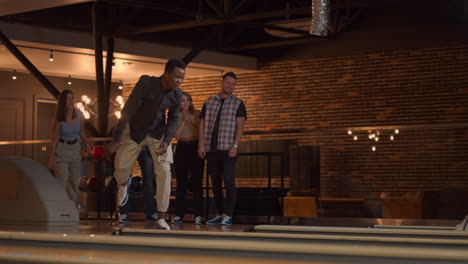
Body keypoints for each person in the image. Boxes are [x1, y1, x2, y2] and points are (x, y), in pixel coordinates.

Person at [105, 58, 185, 230]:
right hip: (135, 130)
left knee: (164, 170)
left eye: (182, 78)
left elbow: (174, 118)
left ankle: (162, 217)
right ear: (167, 74)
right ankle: (123, 184)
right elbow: (128, 110)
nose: (180, 81)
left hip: (158, 133)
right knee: (120, 167)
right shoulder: (146, 83)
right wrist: (116, 138)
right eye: (177, 77)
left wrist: (166, 141)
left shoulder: (177, 94)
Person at [198, 72, 247, 225]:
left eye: (233, 84)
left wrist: (235, 146)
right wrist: (201, 144)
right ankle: (219, 213)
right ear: (222, 82)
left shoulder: (238, 103)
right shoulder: (209, 102)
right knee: (215, 183)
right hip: (211, 149)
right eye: (228, 83)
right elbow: (202, 124)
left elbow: (240, 127)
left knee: (229, 180)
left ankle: (228, 214)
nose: (230, 86)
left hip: (228, 149)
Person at [49, 89, 91, 206]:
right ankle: (60, 206)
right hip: (62, 149)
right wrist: (51, 159)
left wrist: (88, 146)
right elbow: (53, 141)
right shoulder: (58, 119)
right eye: (67, 99)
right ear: (63, 102)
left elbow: (82, 133)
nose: (71, 101)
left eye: (72, 98)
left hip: (75, 149)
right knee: (62, 180)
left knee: (73, 181)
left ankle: (71, 207)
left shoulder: (79, 115)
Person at [171, 92, 205, 225]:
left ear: (190, 102)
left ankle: (199, 214)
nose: (185, 103)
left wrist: (190, 119)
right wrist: (183, 119)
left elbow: (201, 130)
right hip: (181, 148)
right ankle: (179, 214)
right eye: (182, 100)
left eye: (187, 100)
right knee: (181, 183)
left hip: (196, 146)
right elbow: (177, 136)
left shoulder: (197, 113)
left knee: (197, 182)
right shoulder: (175, 116)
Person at [118, 144, 173, 225]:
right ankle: (123, 212)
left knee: (148, 180)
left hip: (146, 146)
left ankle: (149, 212)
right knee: (125, 177)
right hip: (132, 142)